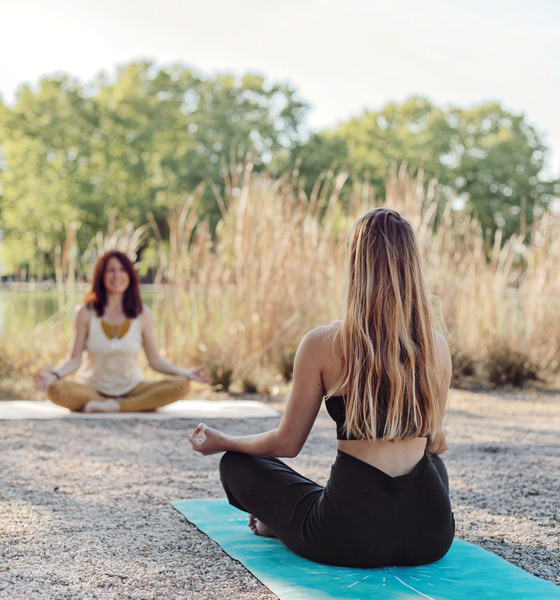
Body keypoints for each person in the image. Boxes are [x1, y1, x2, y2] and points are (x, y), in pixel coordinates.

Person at [188, 208, 454, 568]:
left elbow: (287, 444)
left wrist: (226, 442)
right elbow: (436, 443)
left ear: (355, 266)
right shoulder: (436, 345)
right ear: (412, 267)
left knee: (237, 464)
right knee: (430, 459)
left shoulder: (322, 343)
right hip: (431, 536)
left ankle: (278, 526)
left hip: (347, 536)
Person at [34, 250, 209, 413]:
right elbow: (74, 360)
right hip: (92, 388)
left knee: (181, 385)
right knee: (57, 390)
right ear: (101, 276)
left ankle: (115, 406)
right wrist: (53, 375)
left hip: (132, 388)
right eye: (111, 270)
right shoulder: (85, 312)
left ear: (130, 276)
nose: (117, 276)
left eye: (122, 270)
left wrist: (186, 373)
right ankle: (116, 405)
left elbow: (155, 361)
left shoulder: (142, 313)